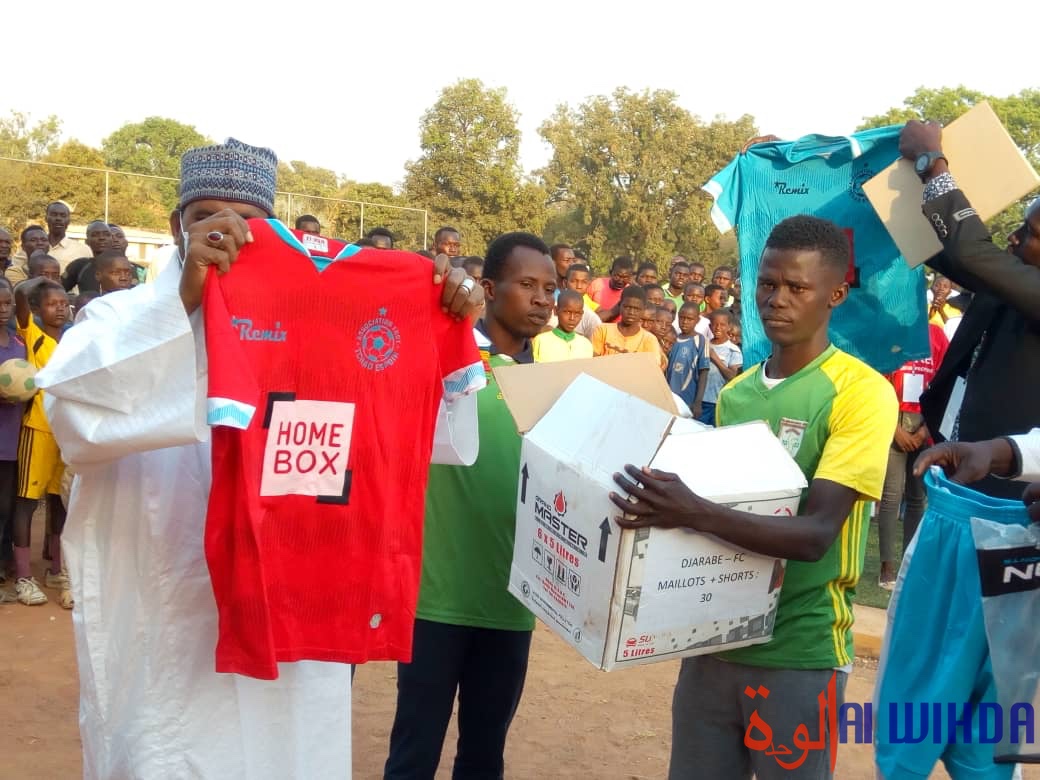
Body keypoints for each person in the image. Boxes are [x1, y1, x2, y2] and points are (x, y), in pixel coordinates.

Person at [36, 137, 484, 780]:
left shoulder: (325, 329)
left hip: (291, 619)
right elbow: (75, 419)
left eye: (248, 223)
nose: (226, 235)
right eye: (205, 218)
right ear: (175, 228)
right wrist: (186, 302)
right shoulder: (116, 317)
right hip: (165, 624)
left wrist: (444, 323)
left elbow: (427, 437)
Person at [609, 215, 897, 780]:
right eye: (767, 284)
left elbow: (815, 537)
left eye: (797, 287)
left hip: (800, 652)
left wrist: (688, 507)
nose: (777, 300)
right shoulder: (738, 394)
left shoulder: (862, 393)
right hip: (710, 644)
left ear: (835, 294)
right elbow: (714, 515)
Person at [385, 232, 553, 780]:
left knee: (484, 754)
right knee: (415, 750)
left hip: (511, 599)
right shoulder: (442, 352)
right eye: (527, 284)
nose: (542, 298)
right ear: (488, 288)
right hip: (434, 597)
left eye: (550, 287)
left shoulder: (557, 383)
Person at [900, 120, 1040, 500]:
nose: (1014, 237)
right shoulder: (1011, 284)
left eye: (1030, 233)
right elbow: (953, 253)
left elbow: (971, 252)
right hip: (958, 459)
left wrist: (933, 164)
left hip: (1008, 489)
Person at [876, 322, 949, 589]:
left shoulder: (936, 334)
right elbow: (877, 384)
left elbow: (945, 382)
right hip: (894, 420)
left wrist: (925, 429)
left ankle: (909, 562)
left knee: (917, 498)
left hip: (924, 423)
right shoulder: (891, 332)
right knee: (891, 495)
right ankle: (887, 566)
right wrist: (895, 429)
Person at [11, 277, 70, 607]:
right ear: (36, 310)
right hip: (39, 428)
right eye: (51, 303)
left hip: (68, 431)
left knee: (60, 500)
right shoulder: (32, 334)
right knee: (27, 500)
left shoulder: (74, 338)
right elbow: (20, 294)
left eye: (63, 303)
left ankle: (57, 569)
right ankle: (23, 576)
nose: (60, 308)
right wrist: (41, 280)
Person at [0, 278, 25, 597]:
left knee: (4, 506)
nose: (3, 309)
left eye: (7, 303)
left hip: (9, 438)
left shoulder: (18, 343)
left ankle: (5, 562)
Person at [591, 285, 665, 370]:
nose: (631, 312)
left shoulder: (649, 339)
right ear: (620, 305)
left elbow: (651, 369)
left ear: (643, 309)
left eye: (636, 309)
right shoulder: (603, 330)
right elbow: (593, 363)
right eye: (627, 307)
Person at [699, 309, 743, 426]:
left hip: (718, 401)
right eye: (714, 324)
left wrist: (715, 358)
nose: (718, 328)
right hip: (700, 399)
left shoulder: (733, 350)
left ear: (729, 327)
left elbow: (732, 376)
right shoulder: (703, 344)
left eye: (722, 325)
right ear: (710, 326)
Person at [668, 301, 710, 418]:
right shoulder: (672, 338)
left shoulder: (701, 341)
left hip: (687, 396)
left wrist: (698, 402)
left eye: (689, 319)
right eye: (682, 318)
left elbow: (704, 372)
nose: (685, 322)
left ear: (697, 320)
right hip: (669, 394)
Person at [533, 289, 593, 362]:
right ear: (556, 311)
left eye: (577, 313)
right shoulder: (541, 341)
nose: (572, 318)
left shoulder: (586, 345)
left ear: (582, 314)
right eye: (567, 312)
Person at [62, 220, 114, 294]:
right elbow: (58, 290)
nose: (102, 238)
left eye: (106, 234)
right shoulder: (79, 266)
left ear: (112, 239)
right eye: (95, 235)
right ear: (87, 241)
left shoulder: (125, 267)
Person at [560, 263, 602, 339]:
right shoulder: (550, 310)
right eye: (574, 281)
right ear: (565, 283)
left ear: (589, 285)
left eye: (584, 282)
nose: (579, 286)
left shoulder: (592, 319)